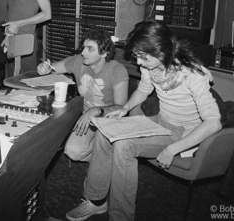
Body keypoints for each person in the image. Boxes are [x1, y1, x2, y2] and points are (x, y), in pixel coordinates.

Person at [65, 20, 222, 221]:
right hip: (159, 121)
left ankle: (121, 217)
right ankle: (96, 202)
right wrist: (124, 108)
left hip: (182, 132)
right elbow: (143, 90)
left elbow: (213, 122)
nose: (139, 63)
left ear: (162, 50)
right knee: (106, 131)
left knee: (124, 146)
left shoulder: (193, 74)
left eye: (143, 57)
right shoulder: (152, 67)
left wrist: (172, 149)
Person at [37, 29, 129, 162]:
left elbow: (121, 107)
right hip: (86, 118)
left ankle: (107, 157)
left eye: (89, 49)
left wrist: (96, 110)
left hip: (109, 119)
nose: (83, 52)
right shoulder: (78, 61)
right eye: (83, 47)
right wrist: (44, 69)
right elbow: (51, 69)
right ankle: (106, 157)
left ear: (104, 52)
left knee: (99, 146)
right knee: (73, 151)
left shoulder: (117, 69)